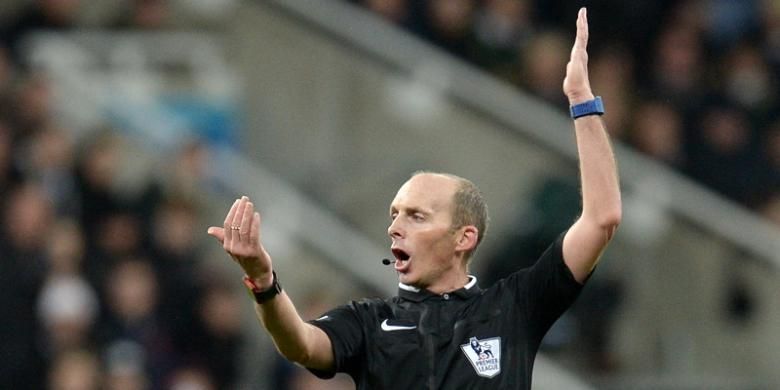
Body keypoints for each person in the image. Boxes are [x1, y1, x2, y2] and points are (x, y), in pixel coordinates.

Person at [207, 8, 620, 389]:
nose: (395, 226)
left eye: (417, 216)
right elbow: (300, 343)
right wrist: (263, 282)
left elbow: (601, 219)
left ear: (464, 237)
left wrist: (582, 103)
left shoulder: (513, 307)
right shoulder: (368, 322)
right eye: (394, 215)